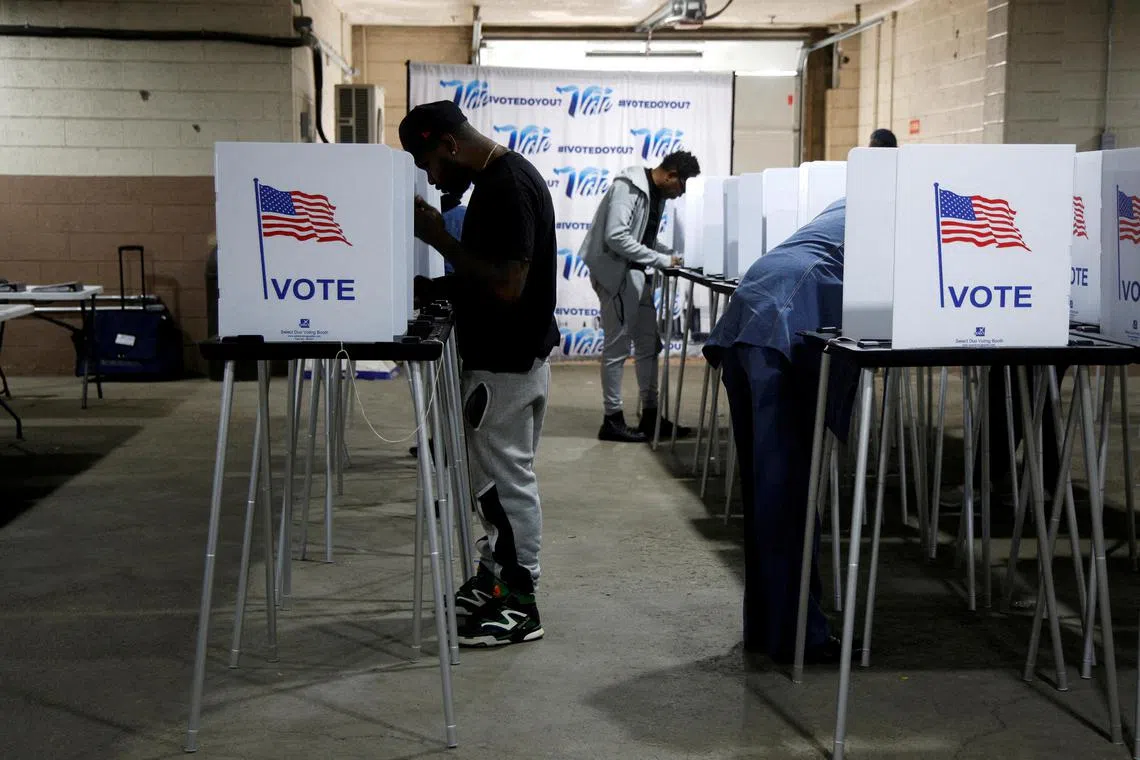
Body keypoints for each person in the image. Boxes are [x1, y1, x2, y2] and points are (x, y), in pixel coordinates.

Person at [400, 100, 558, 648]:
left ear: (446, 145)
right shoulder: (497, 180)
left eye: (427, 165)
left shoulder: (507, 186)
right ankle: (496, 580)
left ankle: (521, 601)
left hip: (507, 361)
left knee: (505, 485)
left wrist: (439, 239)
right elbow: (489, 272)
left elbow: (508, 284)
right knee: (490, 482)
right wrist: (436, 288)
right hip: (507, 355)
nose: (431, 178)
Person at [703, 199, 854, 664]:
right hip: (782, 328)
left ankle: (768, 628)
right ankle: (797, 637)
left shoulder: (852, 201)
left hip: (749, 316)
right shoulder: (912, 213)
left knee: (766, 490)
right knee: (788, 491)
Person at [579, 151, 702, 443]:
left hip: (634, 275)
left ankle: (650, 415)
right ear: (671, 175)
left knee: (648, 345)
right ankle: (612, 419)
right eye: (680, 187)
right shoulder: (630, 187)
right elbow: (616, 237)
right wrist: (664, 260)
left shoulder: (653, 194)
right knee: (616, 348)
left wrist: (672, 256)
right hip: (617, 276)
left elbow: (642, 239)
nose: (679, 195)